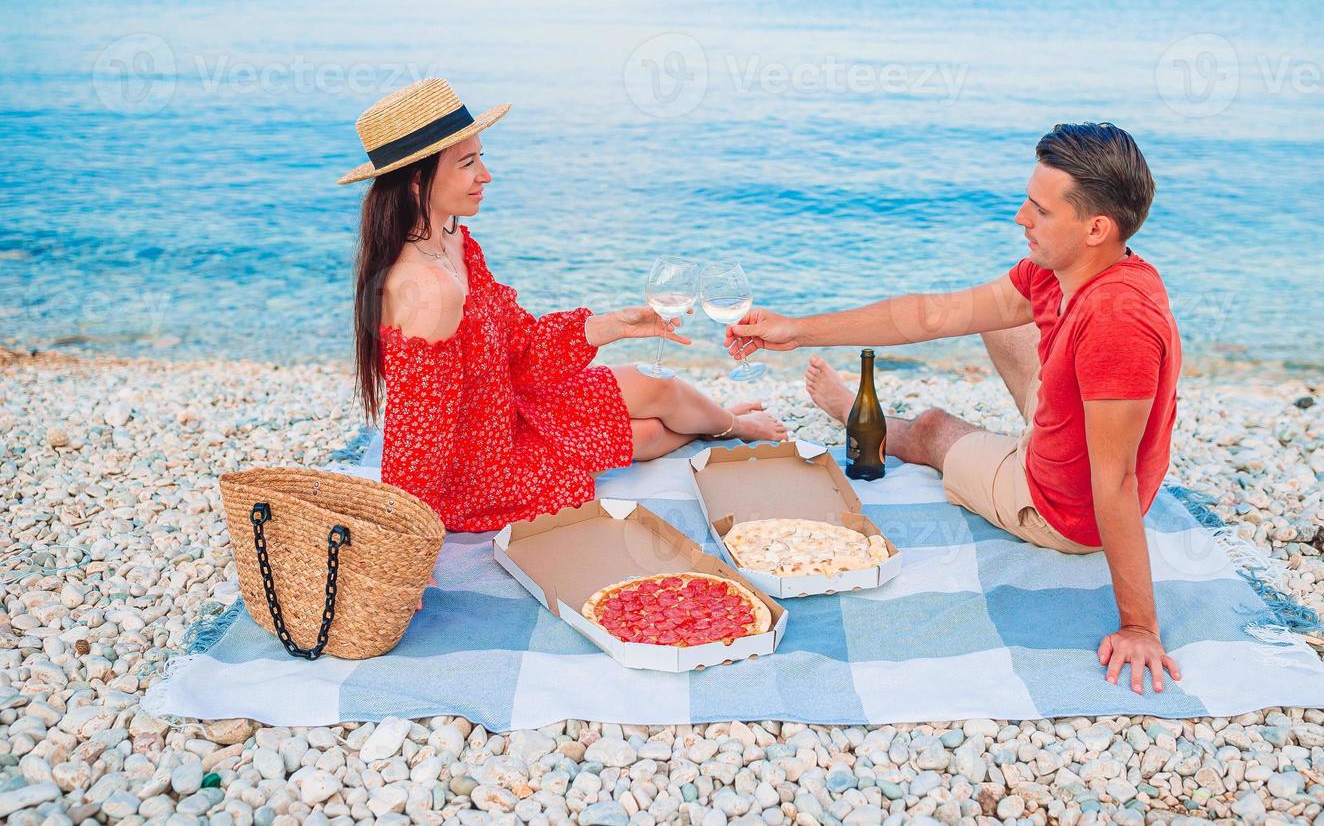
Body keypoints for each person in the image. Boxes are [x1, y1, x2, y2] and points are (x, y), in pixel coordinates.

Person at [724, 123, 1183, 694]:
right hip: (1078, 430)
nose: (1021, 217)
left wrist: (1140, 626)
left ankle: (870, 424)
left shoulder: (1118, 322)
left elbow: (1111, 483)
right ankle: (1030, 426)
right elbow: (933, 316)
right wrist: (798, 330)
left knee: (937, 426)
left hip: (1066, 508)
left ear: (1096, 227)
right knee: (1003, 327)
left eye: (1039, 210)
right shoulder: (1064, 272)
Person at [341, 78, 787, 536]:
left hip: (509, 409)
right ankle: (730, 425)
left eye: (481, 158)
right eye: (467, 163)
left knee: (661, 387)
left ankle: (729, 423)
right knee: (651, 433)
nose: (485, 175)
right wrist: (408, 540)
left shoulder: (454, 241)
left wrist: (612, 325)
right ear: (418, 181)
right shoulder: (427, 290)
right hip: (477, 474)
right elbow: (418, 439)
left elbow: (521, 348)